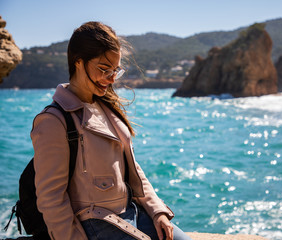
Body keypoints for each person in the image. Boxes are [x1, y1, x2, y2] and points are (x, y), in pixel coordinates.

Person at [31, 21, 192, 240]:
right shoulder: (53, 121)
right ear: (78, 62)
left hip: (132, 213)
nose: (112, 78)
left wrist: (157, 211)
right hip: (95, 225)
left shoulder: (106, 108)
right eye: (104, 69)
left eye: (115, 70)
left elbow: (133, 169)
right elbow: (51, 198)